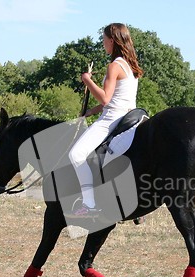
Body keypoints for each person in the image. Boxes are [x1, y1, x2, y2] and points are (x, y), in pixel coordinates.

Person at [67, 23, 143, 218]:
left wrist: (87, 80)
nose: (102, 44)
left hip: (111, 120)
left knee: (76, 155)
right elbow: (118, 98)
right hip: (128, 116)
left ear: (112, 40)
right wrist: (90, 112)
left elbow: (106, 99)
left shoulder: (114, 66)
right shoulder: (130, 66)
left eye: (103, 39)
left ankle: (89, 205)